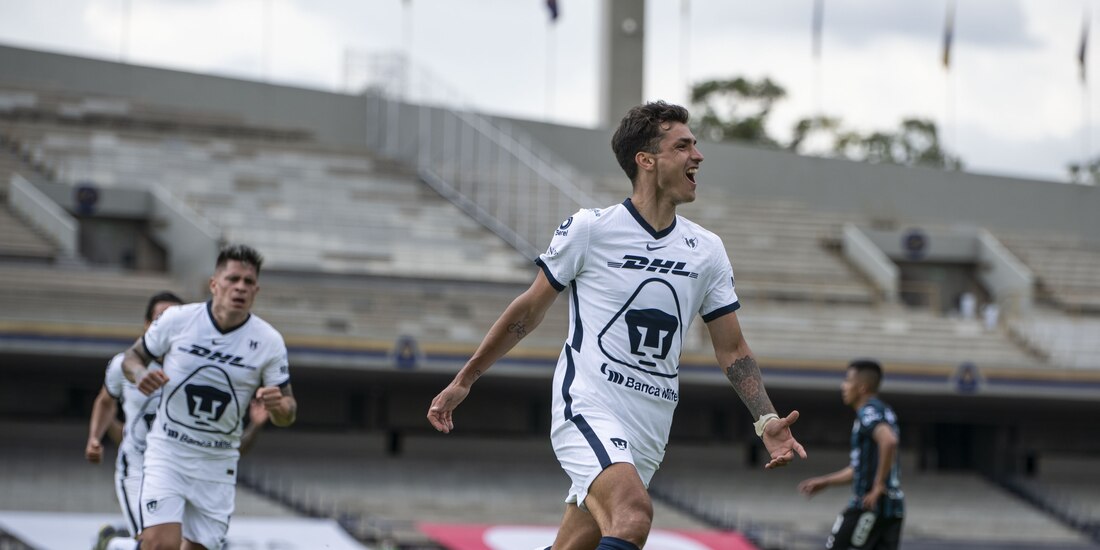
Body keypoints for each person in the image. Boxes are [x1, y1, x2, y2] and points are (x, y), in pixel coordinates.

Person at [427, 101, 806, 550]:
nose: (698, 156)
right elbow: (528, 311)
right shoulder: (591, 229)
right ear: (646, 161)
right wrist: (464, 379)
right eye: (683, 146)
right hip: (587, 404)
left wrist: (765, 419)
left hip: (650, 426)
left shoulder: (707, 250)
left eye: (695, 145)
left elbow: (732, 348)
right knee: (633, 515)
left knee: (575, 546)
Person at [120, 244, 296, 550]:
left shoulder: (269, 342)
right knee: (161, 544)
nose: (240, 287)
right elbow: (131, 358)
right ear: (214, 284)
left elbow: (289, 411)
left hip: (217, 463)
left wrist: (279, 406)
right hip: (168, 452)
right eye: (233, 279)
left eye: (248, 282)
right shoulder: (177, 320)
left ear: (257, 290)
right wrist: (139, 375)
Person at [798, 359, 904, 550]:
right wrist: (826, 481)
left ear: (862, 387)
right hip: (892, 508)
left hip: (868, 505)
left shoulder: (868, 412)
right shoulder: (885, 411)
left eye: (847, 380)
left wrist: (878, 484)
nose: (843, 386)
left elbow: (889, 441)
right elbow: (859, 469)